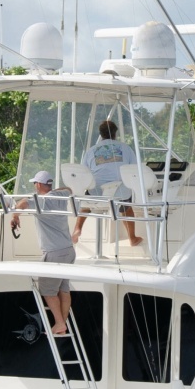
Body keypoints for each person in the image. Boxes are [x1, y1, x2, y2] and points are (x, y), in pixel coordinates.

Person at [10, 169, 76, 334]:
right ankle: (63, 323)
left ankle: (60, 323)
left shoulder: (40, 200)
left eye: (35, 183)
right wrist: (56, 189)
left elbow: (23, 203)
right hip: (68, 251)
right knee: (64, 289)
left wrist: (15, 216)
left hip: (54, 253)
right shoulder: (60, 196)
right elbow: (69, 189)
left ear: (38, 184)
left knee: (47, 289)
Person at [70, 119, 143, 247]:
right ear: (115, 133)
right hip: (119, 192)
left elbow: (84, 172)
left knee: (86, 202)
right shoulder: (126, 148)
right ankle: (132, 237)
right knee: (127, 208)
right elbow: (134, 170)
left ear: (101, 134)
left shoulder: (91, 151)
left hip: (97, 192)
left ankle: (78, 228)